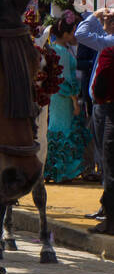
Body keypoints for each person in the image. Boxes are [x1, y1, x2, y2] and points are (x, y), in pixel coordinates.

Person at [75, 6, 114, 233]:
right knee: (104, 159)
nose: (106, 21)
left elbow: (81, 34)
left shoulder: (110, 42)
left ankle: (108, 210)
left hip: (107, 107)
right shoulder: (107, 40)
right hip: (101, 105)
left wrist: (95, 15)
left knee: (107, 160)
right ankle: (105, 206)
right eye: (106, 18)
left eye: (109, 19)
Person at [43, 11, 89, 183]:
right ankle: (60, 172)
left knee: (55, 130)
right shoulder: (61, 51)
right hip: (63, 98)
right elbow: (65, 80)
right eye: (73, 32)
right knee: (64, 131)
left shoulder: (54, 48)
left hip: (56, 97)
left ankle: (53, 170)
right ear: (66, 33)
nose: (74, 35)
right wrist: (75, 102)